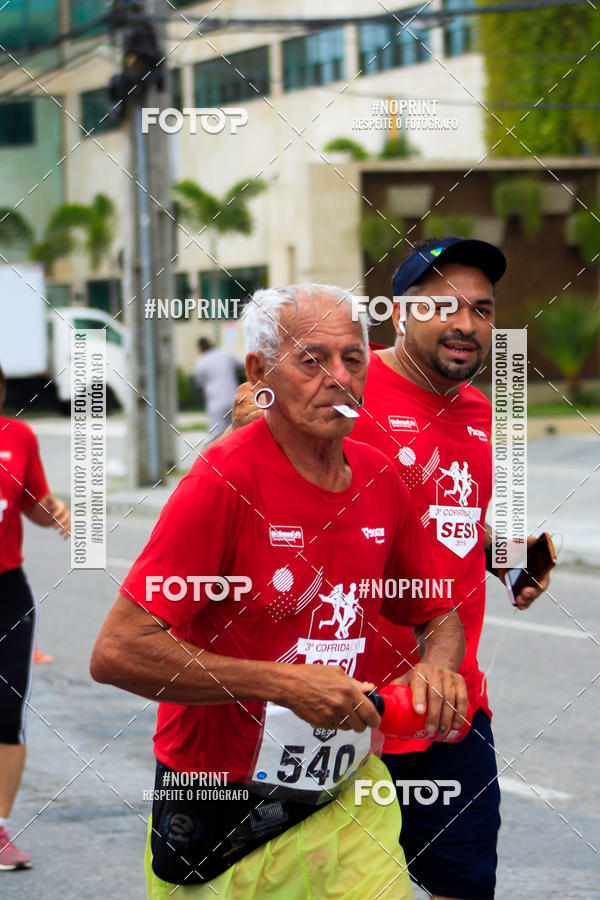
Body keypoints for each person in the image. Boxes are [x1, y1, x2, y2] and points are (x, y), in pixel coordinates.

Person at [91, 284, 467, 899]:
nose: (338, 378)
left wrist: (438, 668)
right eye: (311, 360)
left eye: (352, 359)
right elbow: (117, 652)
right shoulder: (222, 481)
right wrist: (282, 684)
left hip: (346, 792)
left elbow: (437, 610)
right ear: (262, 373)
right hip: (220, 795)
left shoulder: (380, 479)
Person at [230, 239, 551, 900]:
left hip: (446, 704)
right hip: (334, 709)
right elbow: (254, 473)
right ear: (399, 315)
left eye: (482, 310)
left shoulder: (479, 414)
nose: (465, 324)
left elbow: (438, 523)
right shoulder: (344, 387)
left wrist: (505, 558)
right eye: (444, 306)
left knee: (462, 885)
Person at [0, 363, 70, 871]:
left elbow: (33, 504)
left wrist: (57, 511)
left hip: (7, 592)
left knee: (7, 712)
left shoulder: (18, 436)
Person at [194, 336, 241, 437]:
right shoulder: (225, 354)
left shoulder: (201, 362)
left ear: (200, 348)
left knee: (216, 436)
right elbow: (241, 365)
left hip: (216, 403)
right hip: (233, 398)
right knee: (236, 432)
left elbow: (199, 383)